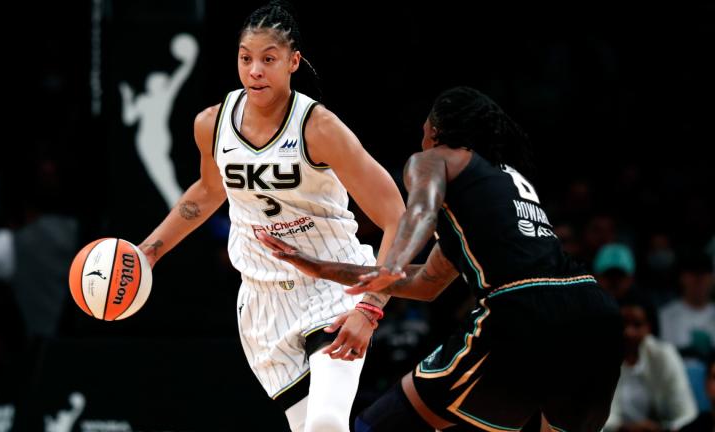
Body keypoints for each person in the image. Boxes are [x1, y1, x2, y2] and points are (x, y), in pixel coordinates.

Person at [257, 86, 623, 431]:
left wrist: (392, 263)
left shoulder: (434, 159)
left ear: (435, 130)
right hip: (595, 316)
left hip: (523, 309)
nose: (420, 140)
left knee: (374, 426)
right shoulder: (498, 184)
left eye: (423, 130)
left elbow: (419, 212)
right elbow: (426, 283)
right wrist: (319, 267)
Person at [136, 2, 405, 431]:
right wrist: (148, 252)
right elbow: (209, 191)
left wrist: (370, 308)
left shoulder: (319, 128)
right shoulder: (212, 124)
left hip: (331, 286)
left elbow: (397, 216)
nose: (255, 70)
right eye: (246, 58)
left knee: (326, 422)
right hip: (263, 304)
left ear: (293, 62)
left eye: (268, 59)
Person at [605, 294, 697, 432]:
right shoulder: (603, 358)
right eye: (623, 323)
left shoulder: (664, 355)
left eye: (637, 324)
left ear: (649, 327)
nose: (629, 332)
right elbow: (596, 418)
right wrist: (624, 429)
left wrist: (662, 429)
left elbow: (686, 414)